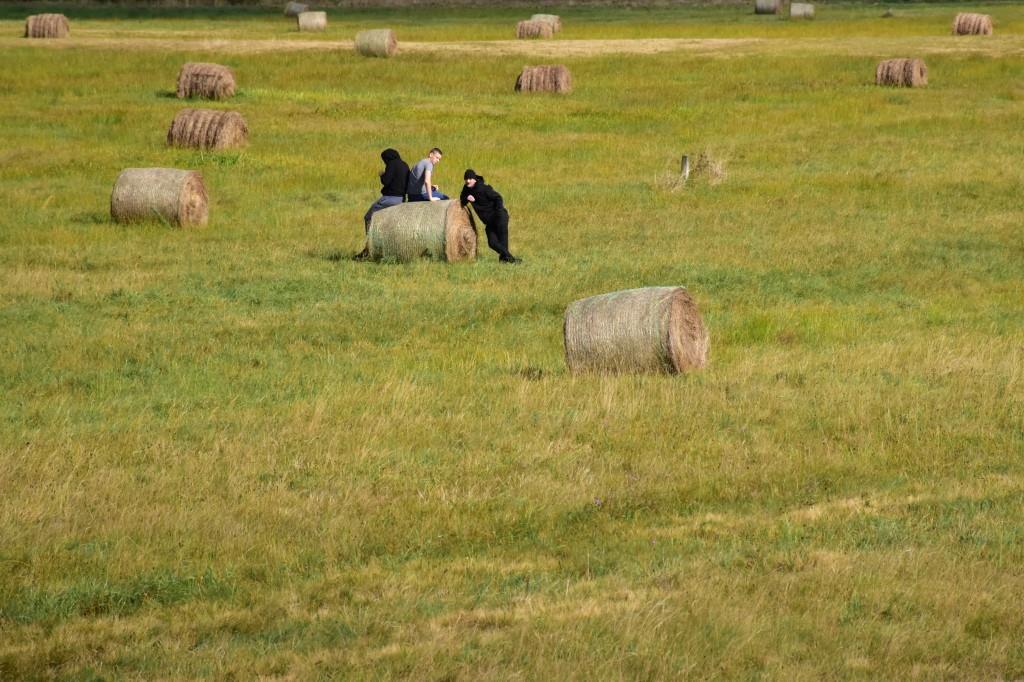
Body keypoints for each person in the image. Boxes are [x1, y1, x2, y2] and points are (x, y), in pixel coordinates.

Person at [356, 148, 408, 260]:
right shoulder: (404, 165)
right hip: (401, 199)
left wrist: (382, 174)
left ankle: (370, 246)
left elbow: (386, 181)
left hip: (389, 198)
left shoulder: (391, 164)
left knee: (369, 217)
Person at [460, 169, 520, 264]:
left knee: (503, 241)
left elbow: (498, 197)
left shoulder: (484, 188)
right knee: (492, 243)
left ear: (474, 179)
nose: (467, 181)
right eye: (466, 179)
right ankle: (510, 259)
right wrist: (466, 198)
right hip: (489, 222)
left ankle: (507, 261)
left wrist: (499, 212)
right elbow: (462, 201)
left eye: (470, 178)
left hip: (499, 217)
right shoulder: (466, 189)